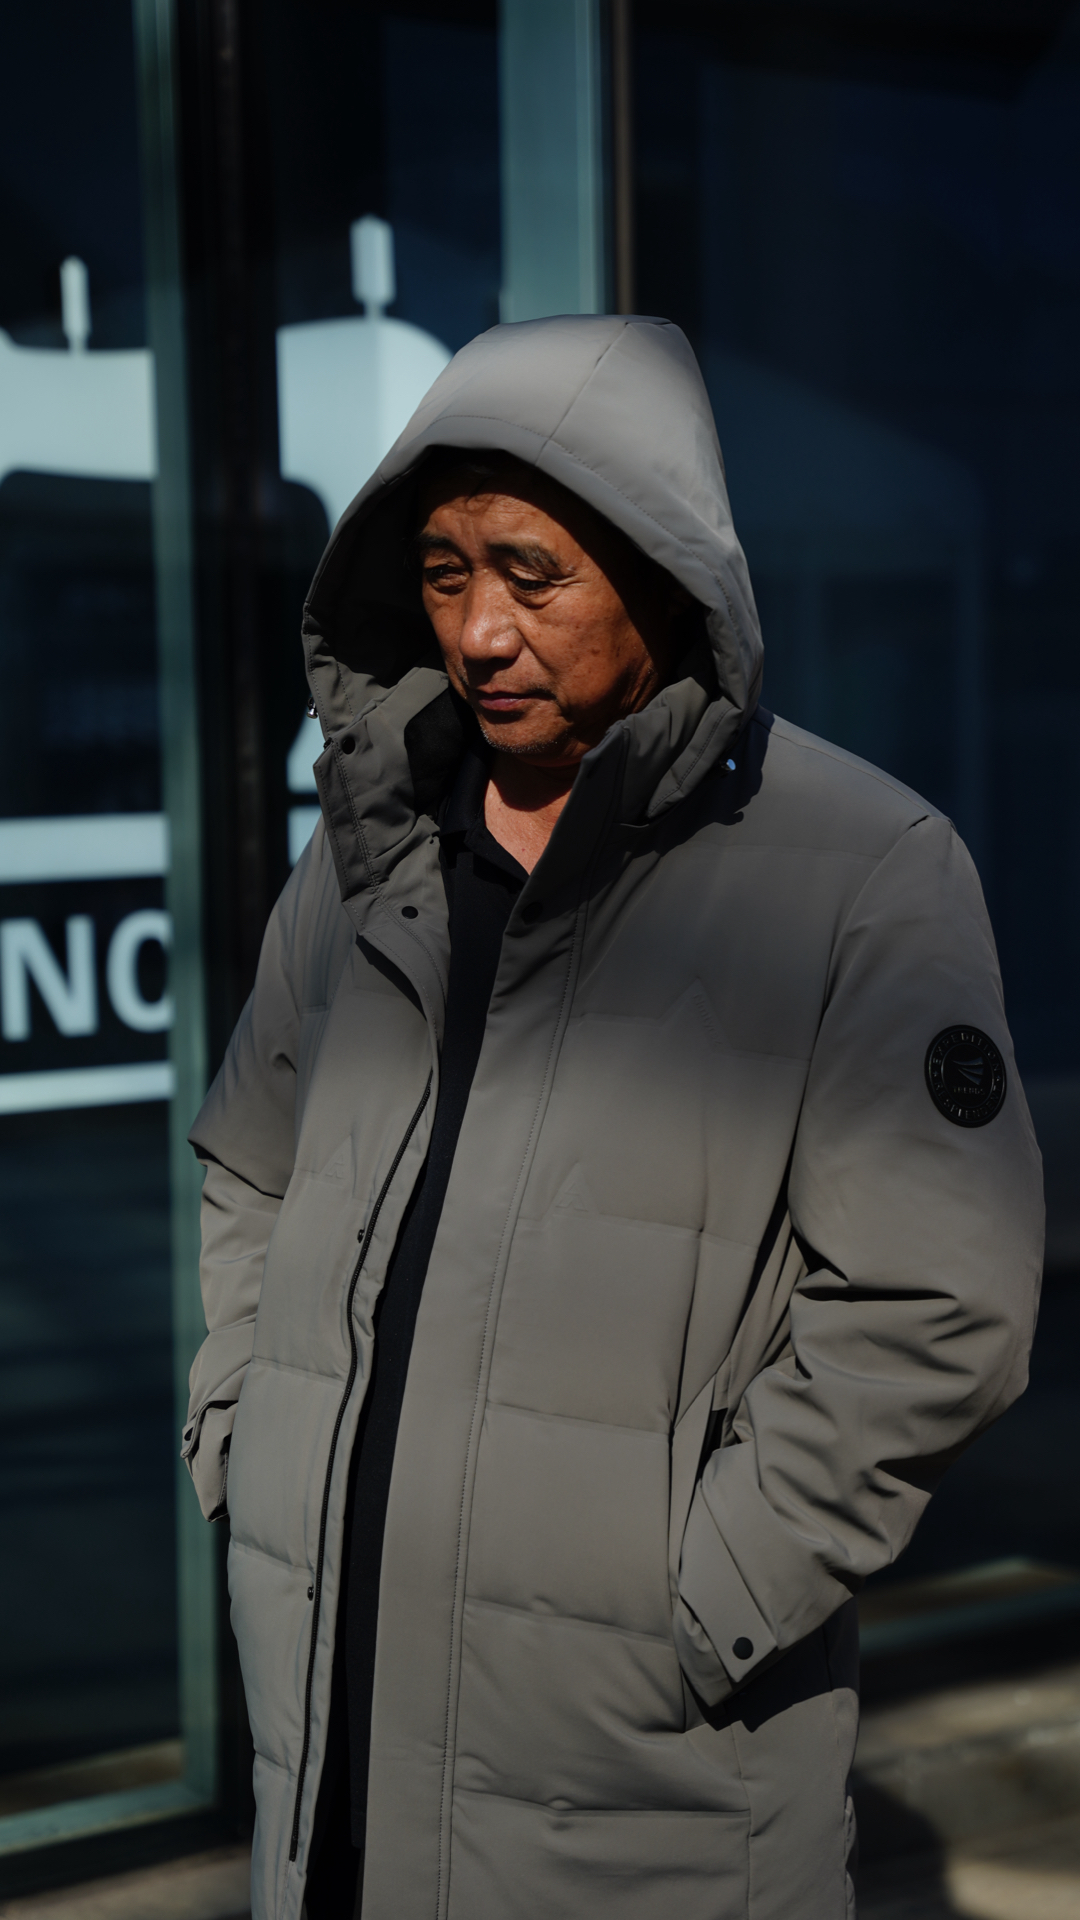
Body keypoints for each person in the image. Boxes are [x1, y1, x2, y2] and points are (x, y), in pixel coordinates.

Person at [182, 315, 1043, 1920]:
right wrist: (251, 1434)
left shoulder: (863, 872)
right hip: (333, 1738)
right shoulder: (368, 857)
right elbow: (250, 1163)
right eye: (444, 574)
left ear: (666, 573)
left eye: (532, 574)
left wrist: (703, 1593)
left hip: (644, 1791)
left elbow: (943, 1302)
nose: (478, 631)